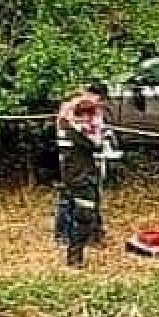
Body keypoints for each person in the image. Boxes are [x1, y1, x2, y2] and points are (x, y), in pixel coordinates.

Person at [55, 83, 110, 245]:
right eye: (100, 100)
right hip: (75, 160)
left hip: (77, 159)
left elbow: (97, 131)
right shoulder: (78, 108)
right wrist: (98, 144)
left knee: (81, 195)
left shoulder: (81, 106)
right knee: (76, 197)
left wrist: (104, 137)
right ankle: (70, 235)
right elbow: (87, 136)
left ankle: (87, 233)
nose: (100, 104)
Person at [57, 99, 104, 268]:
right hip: (80, 178)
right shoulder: (76, 132)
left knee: (77, 215)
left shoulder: (65, 127)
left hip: (72, 176)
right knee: (84, 217)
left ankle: (74, 255)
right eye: (90, 114)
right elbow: (96, 146)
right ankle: (74, 258)